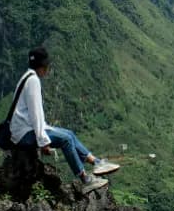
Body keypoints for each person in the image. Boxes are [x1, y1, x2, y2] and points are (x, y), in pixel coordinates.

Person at [9, 47, 119, 193]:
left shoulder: (27, 77)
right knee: (66, 139)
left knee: (69, 133)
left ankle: (96, 162)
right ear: (43, 66)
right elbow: (36, 114)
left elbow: (35, 116)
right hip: (24, 134)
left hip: (23, 129)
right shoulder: (33, 81)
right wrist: (43, 142)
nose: (48, 70)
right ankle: (85, 180)